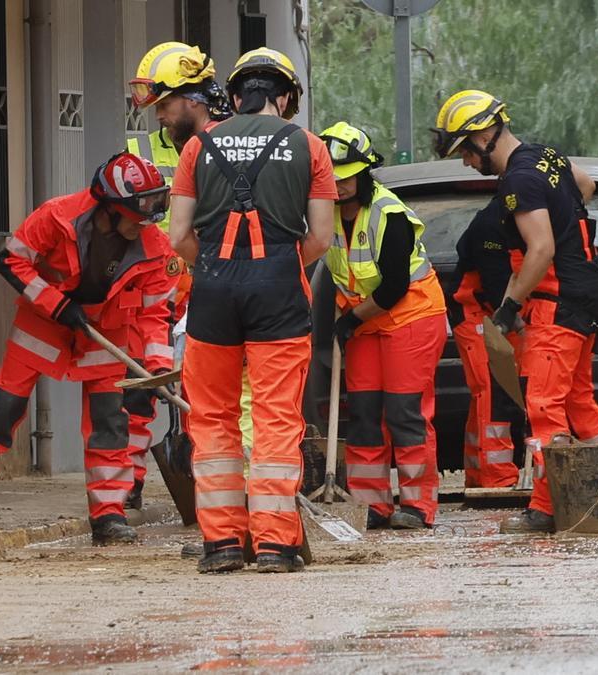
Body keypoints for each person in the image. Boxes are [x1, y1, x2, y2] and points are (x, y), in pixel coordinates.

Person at [0, 153, 178, 544]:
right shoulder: (57, 216)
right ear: (110, 210)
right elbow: (12, 261)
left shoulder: (155, 248)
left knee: (109, 426)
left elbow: (155, 318)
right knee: (4, 407)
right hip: (43, 328)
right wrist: (56, 305)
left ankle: (109, 514)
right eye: (139, 213)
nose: (148, 222)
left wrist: (158, 371)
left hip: (106, 337)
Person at [168, 48, 335, 574]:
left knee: (212, 417)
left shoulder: (198, 146)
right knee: (276, 417)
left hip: (213, 294)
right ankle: (274, 546)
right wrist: (281, 267)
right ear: (284, 97)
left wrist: (219, 267)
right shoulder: (310, 147)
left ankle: (220, 545)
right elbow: (322, 239)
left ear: (235, 95)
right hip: (279, 293)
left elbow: (178, 237)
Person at [432, 90, 598, 534]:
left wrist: (509, 307)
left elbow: (541, 248)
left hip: (558, 301)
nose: (468, 164)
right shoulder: (546, 157)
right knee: (579, 401)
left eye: (466, 153)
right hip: (587, 291)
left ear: (484, 136)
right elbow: (585, 186)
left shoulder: (519, 180)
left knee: (543, 403)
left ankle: (547, 509)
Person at [319, 121, 448, 530]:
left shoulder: (388, 213)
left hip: (410, 315)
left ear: (364, 171)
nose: (339, 187)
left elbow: (392, 287)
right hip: (365, 321)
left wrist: (349, 320)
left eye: (346, 178)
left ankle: (417, 504)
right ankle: (370, 504)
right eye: (332, 180)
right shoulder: (326, 214)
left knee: (404, 411)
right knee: (364, 412)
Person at [124, 41, 232, 507]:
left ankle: (206, 488)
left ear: (194, 98)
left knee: (205, 398)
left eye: (164, 105)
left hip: (210, 289)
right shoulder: (142, 150)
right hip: (153, 292)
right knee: (137, 389)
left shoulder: (233, 145)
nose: (159, 117)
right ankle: (122, 486)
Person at [446, 201, 521, 488]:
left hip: (498, 309)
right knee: (491, 388)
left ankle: (480, 473)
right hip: (476, 309)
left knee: (488, 393)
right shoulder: (491, 226)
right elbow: (497, 285)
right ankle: (496, 476)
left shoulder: (517, 219)